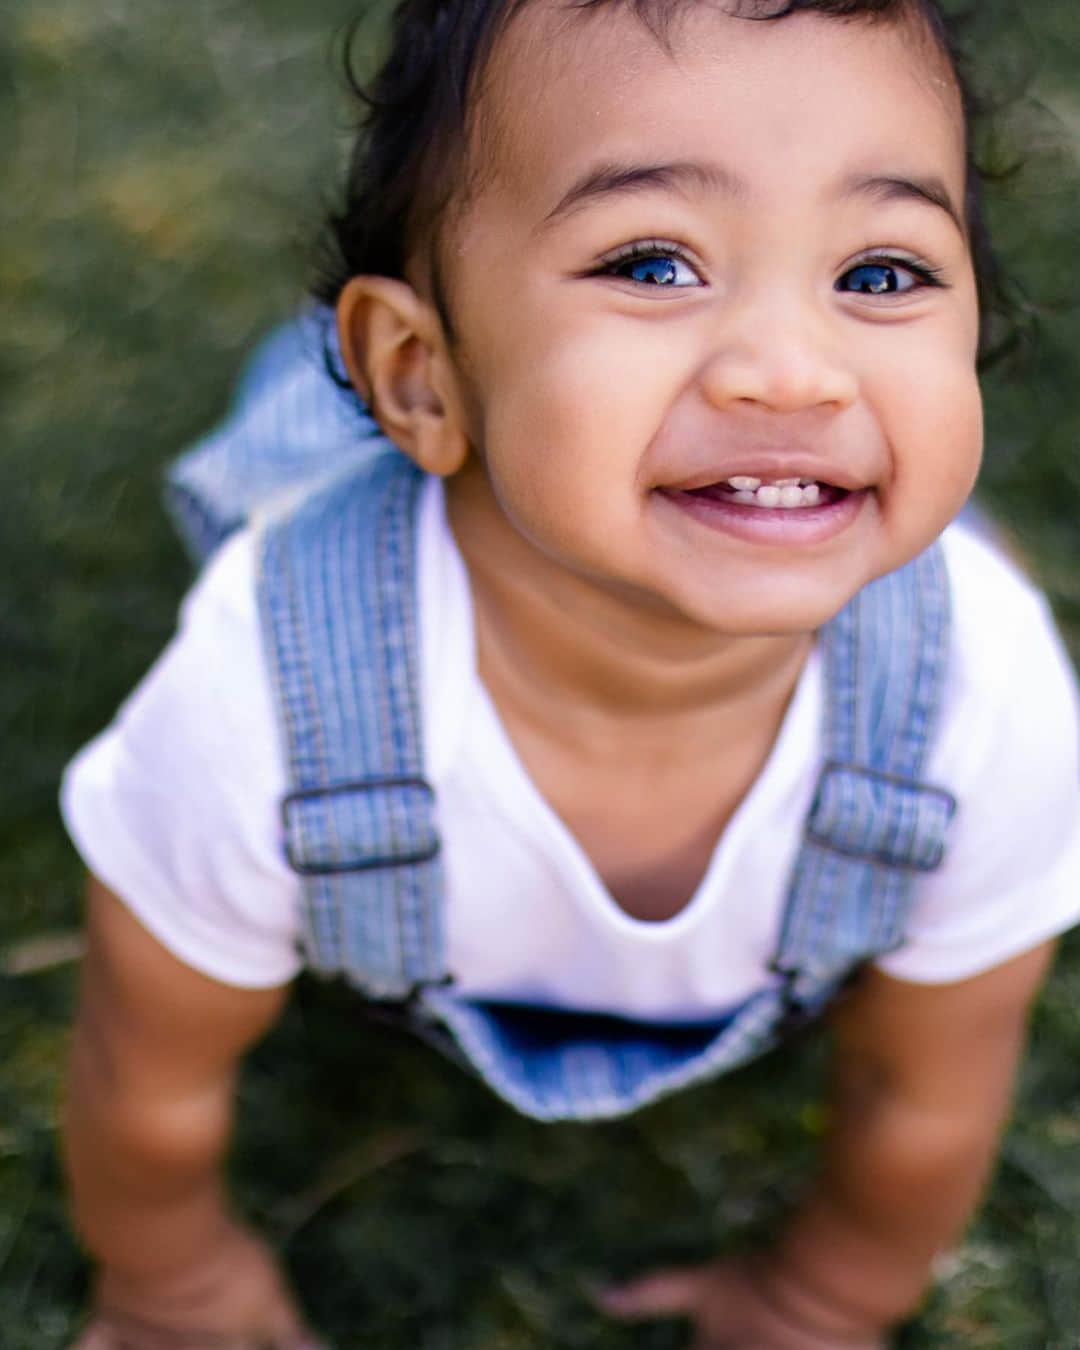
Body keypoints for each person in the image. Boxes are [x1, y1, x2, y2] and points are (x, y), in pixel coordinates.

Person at [60, 0, 1080, 1345]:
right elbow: (148, 1063)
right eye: (654, 263)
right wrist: (168, 1270)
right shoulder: (269, 693)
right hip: (376, 541)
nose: (793, 369)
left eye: (882, 273)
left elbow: (928, 1093)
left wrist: (829, 1293)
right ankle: (329, 407)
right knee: (305, 458)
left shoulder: (978, 696)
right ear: (421, 378)